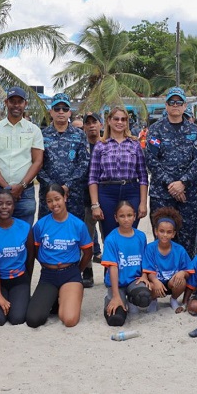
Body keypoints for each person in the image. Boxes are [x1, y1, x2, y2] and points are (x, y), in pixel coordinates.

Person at [144, 87, 197, 258]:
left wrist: (182, 183)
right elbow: (150, 158)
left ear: (185, 105)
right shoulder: (155, 130)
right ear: (166, 105)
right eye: (172, 102)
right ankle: (161, 276)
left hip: (188, 195)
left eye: (179, 102)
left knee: (188, 238)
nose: (176, 105)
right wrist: (171, 184)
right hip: (162, 194)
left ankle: (187, 278)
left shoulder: (194, 130)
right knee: (163, 238)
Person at [27, 185, 93, 328]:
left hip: (70, 274)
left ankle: (70, 295)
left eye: (57, 199)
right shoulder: (41, 225)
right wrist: (47, 263)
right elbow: (37, 249)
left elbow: (88, 252)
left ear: (65, 198)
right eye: (49, 201)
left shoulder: (78, 225)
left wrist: (77, 271)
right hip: (48, 275)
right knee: (33, 320)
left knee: (69, 320)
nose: (54, 204)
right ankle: (56, 298)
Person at [0, 86, 44, 228]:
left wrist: (21, 186)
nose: (16, 105)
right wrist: (6, 188)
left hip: (26, 192)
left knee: (24, 235)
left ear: (25, 104)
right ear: (6, 103)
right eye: (12, 101)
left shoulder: (34, 130)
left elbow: (38, 161)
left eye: (19, 101)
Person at [88, 106, 149, 240]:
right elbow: (93, 178)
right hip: (107, 193)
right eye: (116, 119)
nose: (120, 122)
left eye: (123, 119)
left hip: (131, 192)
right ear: (109, 121)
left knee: (130, 234)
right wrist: (95, 205)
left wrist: (143, 203)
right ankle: (112, 261)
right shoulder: (101, 145)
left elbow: (143, 177)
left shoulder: (135, 144)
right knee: (110, 237)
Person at [37, 92, 90, 223]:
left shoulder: (79, 135)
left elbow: (83, 164)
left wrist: (67, 186)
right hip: (49, 195)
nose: (61, 112)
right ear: (51, 112)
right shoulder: (41, 135)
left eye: (65, 109)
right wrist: (53, 188)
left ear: (69, 113)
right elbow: (37, 164)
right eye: (57, 108)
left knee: (74, 232)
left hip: (73, 195)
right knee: (47, 231)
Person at [0, 190, 33, 326]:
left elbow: (30, 257)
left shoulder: (25, 228)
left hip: (19, 279)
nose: (4, 207)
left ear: (14, 206)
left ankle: (21, 297)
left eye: (8, 203)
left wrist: (27, 280)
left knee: (17, 318)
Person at [101, 200, 151, 327]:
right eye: (122, 216)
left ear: (134, 216)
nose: (126, 219)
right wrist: (116, 296)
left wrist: (144, 275)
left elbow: (145, 259)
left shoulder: (140, 236)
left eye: (129, 215)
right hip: (117, 283)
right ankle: (110, 298)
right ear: (116, 218)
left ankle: (130, 297)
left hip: (134, 280)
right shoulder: (111, 239)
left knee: (144, 297)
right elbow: (112, 267)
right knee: (116, 319)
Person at [141, 207, 194, 313]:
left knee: (181, 280)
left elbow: (189, 270)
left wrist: (182, 273)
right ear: (156, 231)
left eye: (169, 232)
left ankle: (173, 299)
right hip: (156, 282)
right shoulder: (150, 248)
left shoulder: (179, 250)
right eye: (161, 231)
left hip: (172, 283)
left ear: (173, 234)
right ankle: (153, 300)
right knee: (147, 286)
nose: (165, 235)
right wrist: (155, 281)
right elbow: (148, 271)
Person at [82, 112, 104, 285]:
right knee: (87, 237)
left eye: (94, 122)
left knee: (107, 234)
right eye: (87, 123)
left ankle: (108, 269)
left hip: (105, 196)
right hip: (84, 198)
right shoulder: (81, 146)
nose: (91, 126)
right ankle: (87, 270)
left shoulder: (107, 145)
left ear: (101, 125)